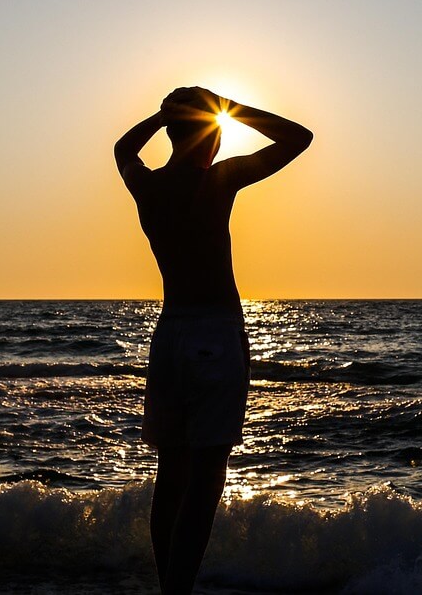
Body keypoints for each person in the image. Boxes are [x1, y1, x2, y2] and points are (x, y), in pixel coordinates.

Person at [114, 85, 312, 595]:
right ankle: (178, 593)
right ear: (212, 135)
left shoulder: (149, 188)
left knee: (171, 475)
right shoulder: (219, 180)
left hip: (170, 333)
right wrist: (230, 107)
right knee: (205, 479)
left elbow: (121, 150)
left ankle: (169, 589)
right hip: (216, 335)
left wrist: (165, 118)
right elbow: (299, 138)